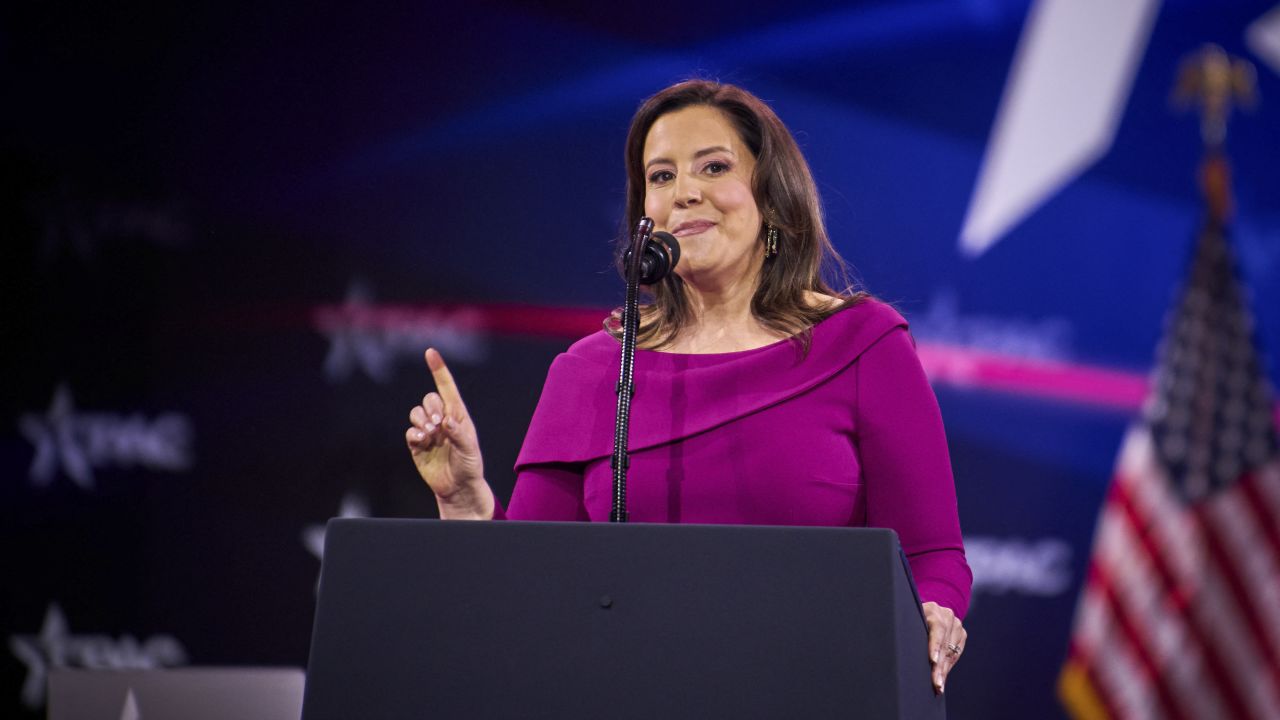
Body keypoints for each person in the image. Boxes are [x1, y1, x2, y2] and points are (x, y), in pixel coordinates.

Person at [405, 79, 971, 694]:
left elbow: (932, 554)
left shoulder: (860, 343)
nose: (686, 193)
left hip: (815, 687)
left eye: (714, 166)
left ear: (772, 197)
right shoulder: (592, 369)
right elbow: (531, 586)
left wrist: (934, 613)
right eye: (662, 176)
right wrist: (465, 501)